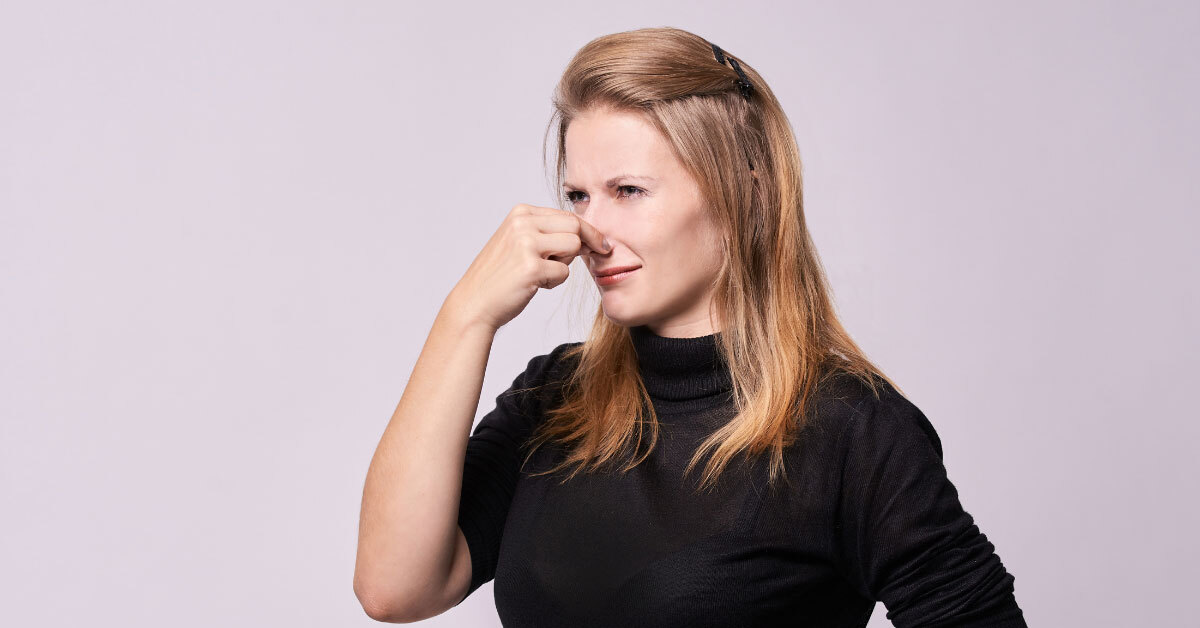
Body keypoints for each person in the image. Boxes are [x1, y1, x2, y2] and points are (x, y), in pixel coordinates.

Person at [353, 26, 1028, 627]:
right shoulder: (558, 394)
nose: (593, 230)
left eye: (629, 191)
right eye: (579, 196)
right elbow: (394, 589)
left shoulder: (851, 430)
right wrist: (465, 315)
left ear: (744, 194)